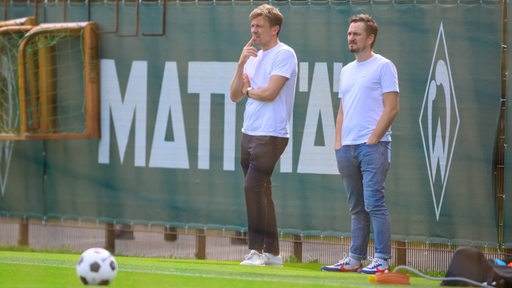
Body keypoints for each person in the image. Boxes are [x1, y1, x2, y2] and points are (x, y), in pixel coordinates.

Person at [321, 14, 399, 274]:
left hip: (373, 148)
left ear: (370, 38)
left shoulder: (384, 66)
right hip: (347, 149)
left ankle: (382, 259)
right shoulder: (346, 70)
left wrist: (373, 139)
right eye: (349, 33)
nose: (351, 37)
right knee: (356, 207)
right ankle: (355, 258)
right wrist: (338, 142)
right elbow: (342, 110)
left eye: (356, 33)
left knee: (374, 203)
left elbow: (392, 108)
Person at [229, 4, 298, 267]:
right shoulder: (253, 57)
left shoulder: (285, 54)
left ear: (274, 29)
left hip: (272, 134)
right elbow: (234, 94)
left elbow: (269, 93)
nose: (254, 31)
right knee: (262, 192)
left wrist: (249, 91)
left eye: (259, 26)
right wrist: (240, 64)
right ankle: (273, 253)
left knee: (252, 187)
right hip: (249, 132)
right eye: (252, 26)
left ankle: (255, 251)